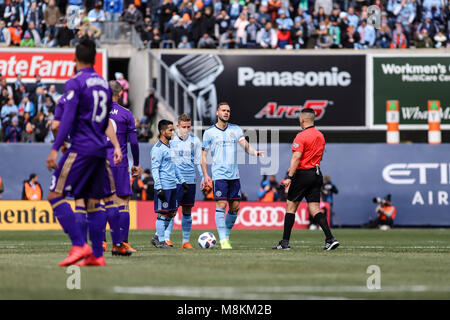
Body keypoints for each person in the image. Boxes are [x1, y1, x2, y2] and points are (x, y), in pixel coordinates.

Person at [45, 39, 123, 267]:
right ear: (95, 57)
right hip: (100, 149)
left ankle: (79, 245)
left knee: (55, 195)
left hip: (81, 148)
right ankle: (97, 256)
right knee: (93, 202)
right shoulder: (103, 85)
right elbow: (105, 120)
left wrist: (54, 147)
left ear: (75, 58)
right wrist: (116, 145)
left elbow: (66, 119)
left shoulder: (75, 83)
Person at [273, 108, 339, 251]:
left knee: (290, 206)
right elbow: (320, 157)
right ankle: (330, 238)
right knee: (314, 208)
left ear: (302, 120)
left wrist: (289, 177)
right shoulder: (321, 136)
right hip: (316, 174)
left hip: (303, 174)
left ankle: (285, 242)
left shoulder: (301, 136)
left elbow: (296, 157)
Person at [201, 102, 263, 249]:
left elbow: (245, 145)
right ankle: (223, 240)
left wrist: (254, 152)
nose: (226, 113)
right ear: (217, 112)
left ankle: (226, 235)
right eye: (223, 110)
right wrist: (205, 174)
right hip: (219, 175)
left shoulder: (235, 129)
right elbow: (203, 155)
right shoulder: (209, 132)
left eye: (228, 111)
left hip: (234, 175)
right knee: (221, 204)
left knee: (235, 207)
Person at [102, 80, 141, 254]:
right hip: (119, 162)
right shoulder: (126, 114)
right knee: (123, 203)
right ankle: (123, 243)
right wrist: (137, 163)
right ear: (119, 94)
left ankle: (101, 242)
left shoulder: (96, 112)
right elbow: (134, 142)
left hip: (98, 161)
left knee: (101, 203)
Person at [161, 114, 204, 249]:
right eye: (183, 127)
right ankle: (166, 238)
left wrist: (203, 176)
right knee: (171, 210)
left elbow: (199, 161)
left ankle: (185, 241)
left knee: (187, 210)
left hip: (190, 180)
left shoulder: (195, 141)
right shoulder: (171, 140)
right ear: (178, 126)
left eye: (188, 127)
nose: (186, 129)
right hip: (175, 181)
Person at [150, 119, 187, 249]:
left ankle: (156, 237)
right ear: (162, 131)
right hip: (164, 187)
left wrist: (182, 181)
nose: (173, 132)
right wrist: (159, 188)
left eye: (173, 130)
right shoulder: (157, 149)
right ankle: (161, 241)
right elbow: (155, 169)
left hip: (173, 185)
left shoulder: (170, 147)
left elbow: (175, 166)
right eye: (170, 130)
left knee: (171, 213)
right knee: (163, 213)